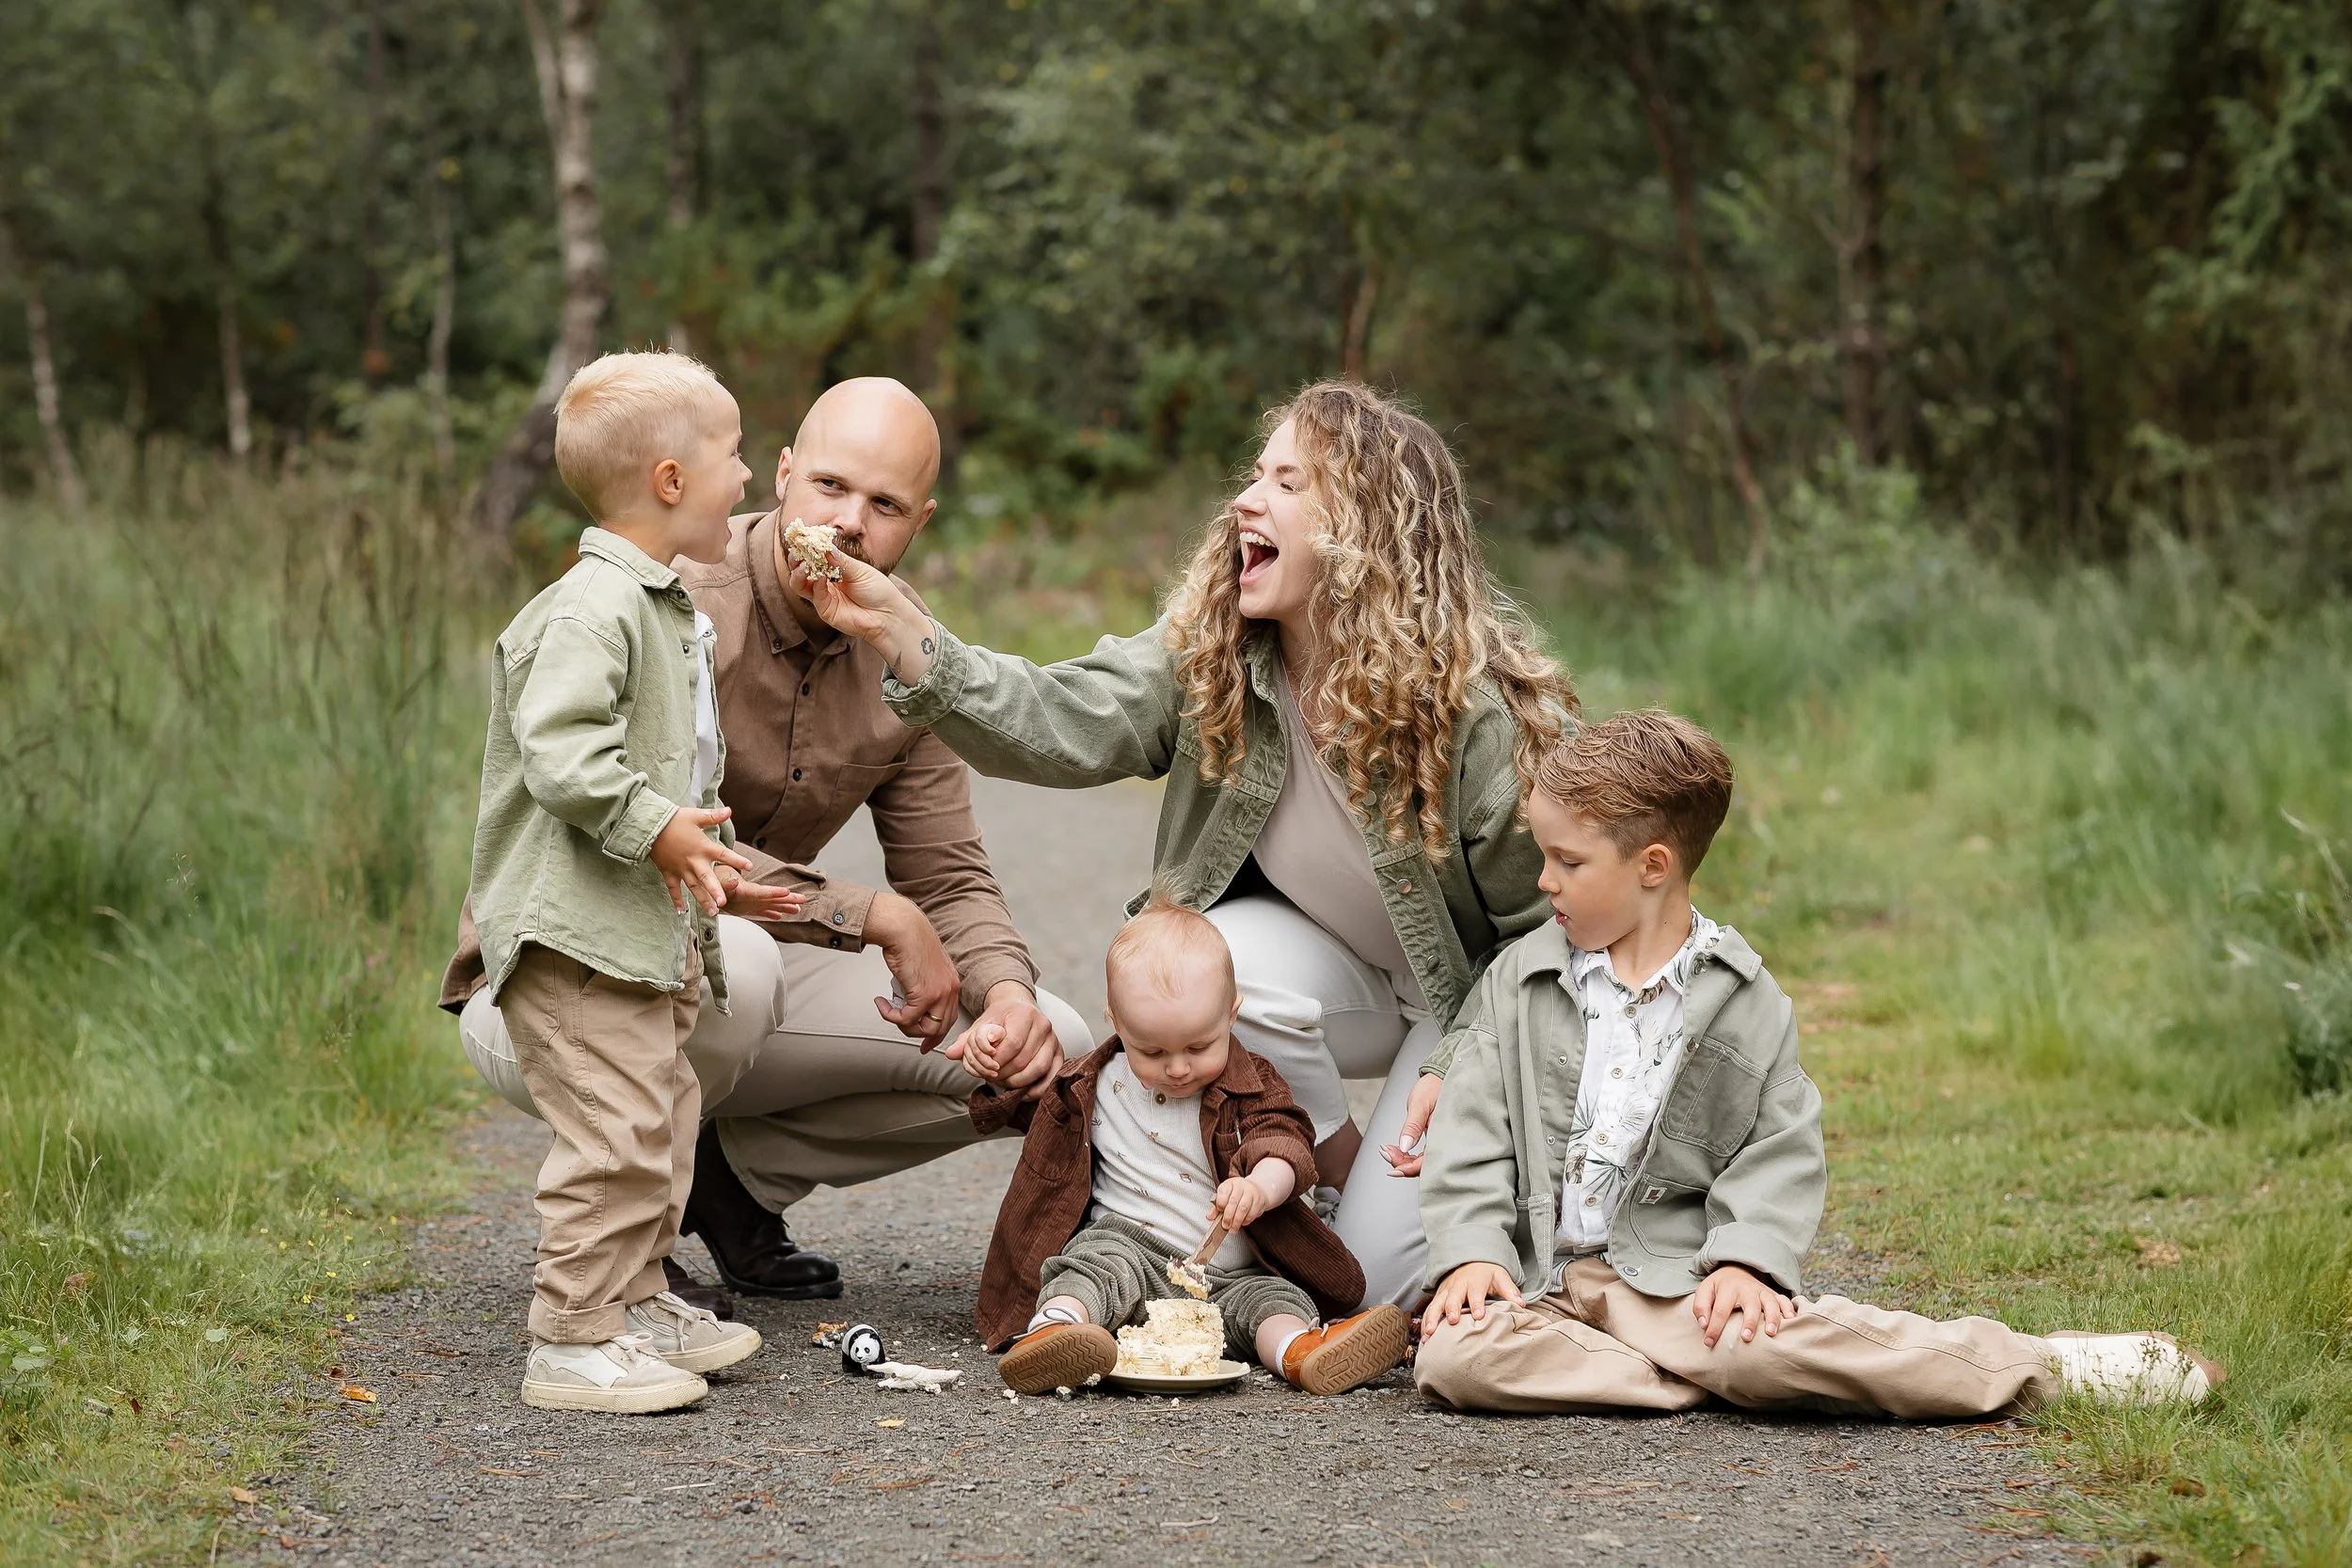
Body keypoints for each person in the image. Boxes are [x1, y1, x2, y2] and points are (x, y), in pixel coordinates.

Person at [800, 381, 1576, 1309]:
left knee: (1378, 1292)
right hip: (1345, 983)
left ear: (1367, 527)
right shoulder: (1218, 651)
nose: (1244, 500)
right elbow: (1058, 717)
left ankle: (1528, 1197)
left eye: (1287, 483)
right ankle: (1326, 1186)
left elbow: (1550, 934)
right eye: (1255, 475)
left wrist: (1462, 1063)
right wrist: (900, 629)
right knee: (1216, 969)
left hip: (1469, 1004)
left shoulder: (1467, 711)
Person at [444, 378, 1093, 1312]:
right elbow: (649, 829)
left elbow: (948, 874)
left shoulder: (906, 649)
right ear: (782, 475)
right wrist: (870, 912)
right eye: (828, 486)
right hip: (562, 976)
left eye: (884, 505)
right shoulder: (671, 598)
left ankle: (730, 1184)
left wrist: (1010, 996)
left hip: (730, 969)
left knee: (1044, 1052)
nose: (849, 523)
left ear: (921, 521)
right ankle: (628, 1250)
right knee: (738, 965)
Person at [1414, 709, 2223, 1416]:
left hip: (1661, 1282)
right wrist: (1474, 1250)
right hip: (1535, 1288)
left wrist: (1743, 1260)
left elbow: (1779, 1146)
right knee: (1452, 1358)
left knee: (1761, 1344)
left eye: (1569, 862)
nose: (1545, 881)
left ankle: (2054, 1366)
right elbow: (1475, 1129)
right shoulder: (1522, 978)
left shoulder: (1742, 1000)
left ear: (1653, 865)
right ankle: (1691, 1378)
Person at [471, 351, 783, 1413]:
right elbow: (561, 752)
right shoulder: (589, 608)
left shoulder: (661, 602)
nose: (746, 477)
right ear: (666, 480)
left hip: (641, 929)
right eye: (733, 455)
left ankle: (636, 1297)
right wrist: (656, 829)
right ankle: (569, 1336)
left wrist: (690, 855)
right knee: (611, 1132)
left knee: (657, 1113)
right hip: (575, 936)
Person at [973, 899, 1410, 1396]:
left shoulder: (1253, 1084)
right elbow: (1030, 1114)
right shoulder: (1093, 1085)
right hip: (1131, 1249)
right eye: (1153, 1051)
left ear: (1232, 1012)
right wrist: (996, 1073)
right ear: (1116, 1021)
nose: (1178, 1068)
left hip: (1228, 1272)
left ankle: (1300, 1351)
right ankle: (1057, 1330)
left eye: (1199, 1047)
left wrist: (1261, 1186)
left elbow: (1284, 1140)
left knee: (1273, 1300)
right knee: (1089, 1266)